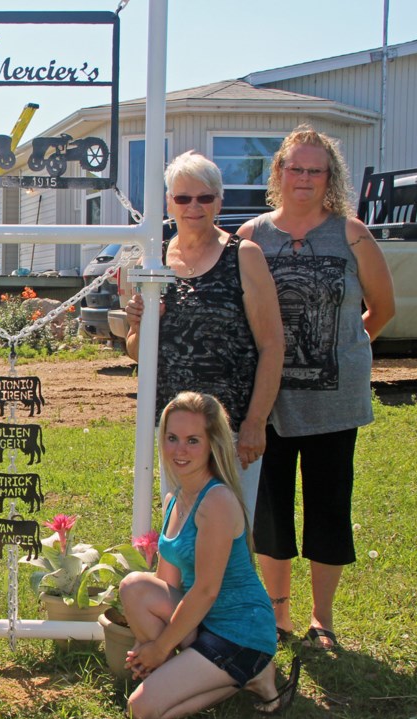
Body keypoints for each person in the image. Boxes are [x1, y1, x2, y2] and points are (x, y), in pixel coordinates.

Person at [237, 125, 395, 649]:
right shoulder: (252, 237)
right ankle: (279, 617)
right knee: (272, 512)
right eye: (295, 168)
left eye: (315, 170)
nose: (304, 178)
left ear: (330, 177)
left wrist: (348, 348)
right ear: (278, 172)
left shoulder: (351, 234)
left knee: (329, 508)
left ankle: (321, 620)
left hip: (335, 402)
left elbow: (383, 308)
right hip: (269, 403)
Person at [120, 392, 299, 719]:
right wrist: (150, 644)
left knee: (141, 709)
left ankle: (252, 674)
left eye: (192, 440)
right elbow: (166, 584)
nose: (179, 450)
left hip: (240, 631)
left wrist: (158, 650)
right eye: (172, 438)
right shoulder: (175, 498)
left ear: (212, 444)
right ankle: (188, 672)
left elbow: (205, 591)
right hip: (203, 623)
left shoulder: (216, 501)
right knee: (135, 587)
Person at [124, 151, 284, 523]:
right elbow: (137, 352)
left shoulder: (244, 256)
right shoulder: (152, 262)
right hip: (175, 431)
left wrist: (255, 422)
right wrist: (141, 327)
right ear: (169, 204)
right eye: (182, 198)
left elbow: (272, 345)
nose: (193, 207)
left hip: (228, 430)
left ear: (219, 201)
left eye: (204, 198)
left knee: (231, 532)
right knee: (180, 532)